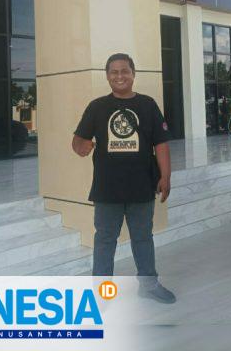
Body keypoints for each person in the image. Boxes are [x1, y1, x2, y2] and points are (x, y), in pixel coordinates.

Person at [72, 53, 176, 304]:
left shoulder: (148, 105)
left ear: (133, 74)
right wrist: (82, 146)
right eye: (114, 72)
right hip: (107, 188)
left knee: (143, 238)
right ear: (107, 76)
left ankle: (148, 285)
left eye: (124, 71)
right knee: (105, 241)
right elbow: (78, 141)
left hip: (142, 185)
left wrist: (166, 176)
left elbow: (161, 144)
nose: (120, 76)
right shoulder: (97, 107)